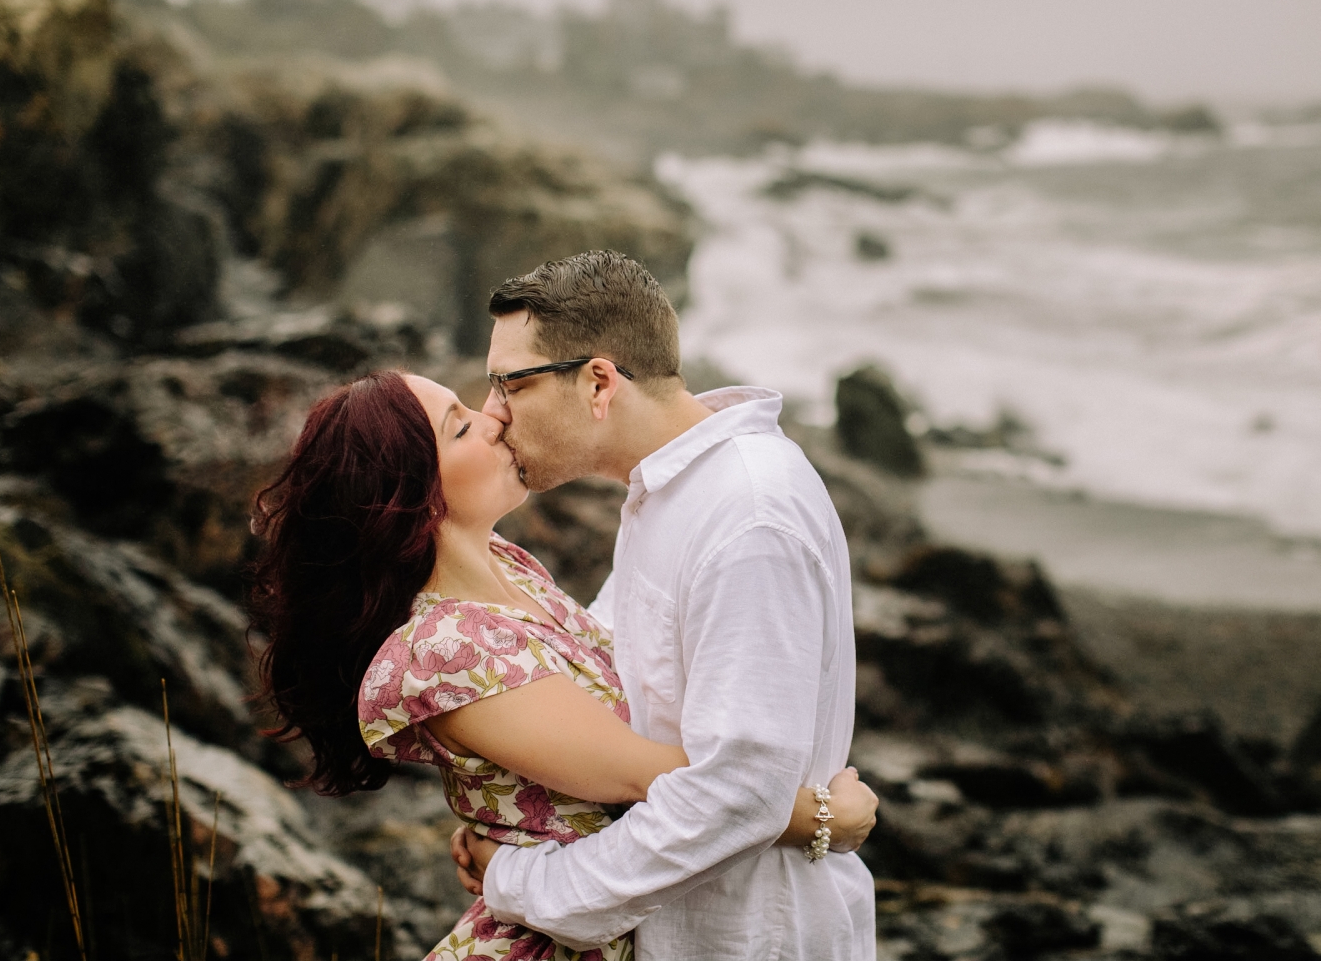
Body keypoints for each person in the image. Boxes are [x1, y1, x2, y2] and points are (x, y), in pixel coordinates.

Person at [248, 369, 878, 961]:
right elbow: (652, 780)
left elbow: (620, 638)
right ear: (410, 496)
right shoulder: (444, 651)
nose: (494, 416)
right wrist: (822, 818)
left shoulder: (507, 569)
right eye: (461, 426)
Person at [447, 250, 877, 960]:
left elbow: (734, 793)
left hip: (746, 937)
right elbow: (606, 676)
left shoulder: (747, 515)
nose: (493, 413)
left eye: (510, 384)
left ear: (598, 382)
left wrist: (523, 882)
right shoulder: (671, 494)